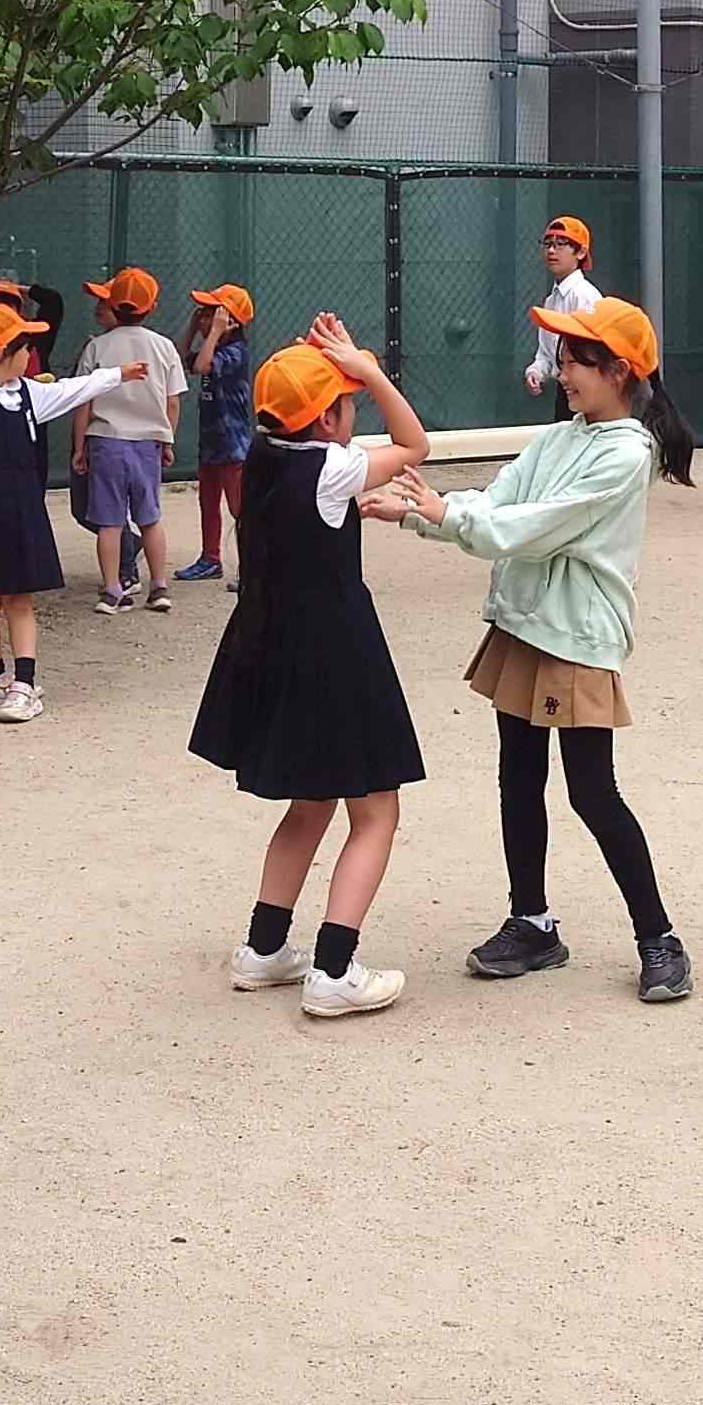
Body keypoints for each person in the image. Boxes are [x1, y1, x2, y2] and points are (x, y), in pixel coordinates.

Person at [388, 293, 699, 1005]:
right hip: (524, 622)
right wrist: (421, 512)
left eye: (575, 361)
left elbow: (534, 526)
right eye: (560, 358)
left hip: (578, 636)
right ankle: (532, 924)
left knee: (592, 789)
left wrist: (441, 514)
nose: (562, 372)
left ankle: (658, 937)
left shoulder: (625, 454)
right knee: (518, 777)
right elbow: (502, 499)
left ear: (619, 371)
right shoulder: (562, 437)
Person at [188, 318, 432, 1019]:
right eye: (346, 400)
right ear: (327, 418)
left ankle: (264, 951)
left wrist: (331, 369)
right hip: (335, 651)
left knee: (310, 800)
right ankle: (333, 969)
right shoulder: (334, 467)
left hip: (273, 646)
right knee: (377, 809)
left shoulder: (262, 454)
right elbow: (417, 446)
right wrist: (375, 371)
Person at [0, 296, 131, 721]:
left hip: (21, 507)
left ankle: (23, 683)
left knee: (19, 598)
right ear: (1, 353)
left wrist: (117, 375)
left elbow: (73, 389)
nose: (31, 354)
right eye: (24, 347)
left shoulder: (30, 392)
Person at [72, 267, 188, 617]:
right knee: (149, 517)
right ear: (152, 306)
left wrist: (80, 447)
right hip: (148, 443)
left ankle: (112, 590)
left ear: (112, 303)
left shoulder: (97, 346)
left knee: (110, 522)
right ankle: (159, 587)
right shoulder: (164, 346)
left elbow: (84, 400)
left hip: (106, 440)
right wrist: (167, 439)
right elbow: (172, 400)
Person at [175, 284, 257, 586]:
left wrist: (212, 333)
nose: (205, 318)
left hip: (232, 446)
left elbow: (201, 365)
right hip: (210, 444)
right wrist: (193, 327)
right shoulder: (215, 345)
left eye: (212, 313)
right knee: (208, 504)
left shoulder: (236, 352)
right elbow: (178, 359)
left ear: (230, 321)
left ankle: (253, 568)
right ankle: (211, 559)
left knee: (241, 510)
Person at [518, 216, 602, 414]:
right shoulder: (551, 301)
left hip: (588, 393)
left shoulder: (585, 295)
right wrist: (536, 372)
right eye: (547, 244)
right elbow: (547, 354)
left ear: (581, 252)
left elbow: (594, 355)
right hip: (565, 392)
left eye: (561, 244)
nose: (551, 251)